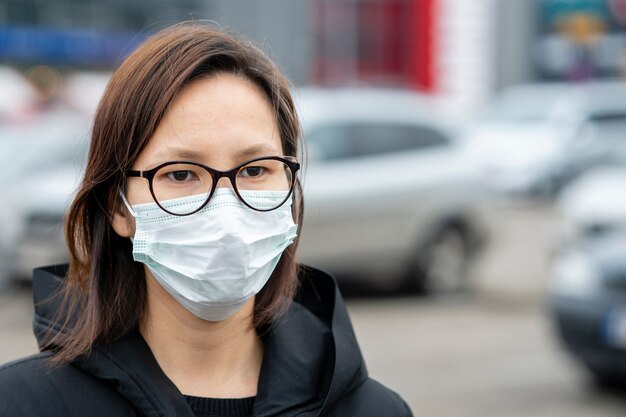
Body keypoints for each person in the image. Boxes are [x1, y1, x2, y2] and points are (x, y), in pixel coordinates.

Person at [0, 22, 413, 417]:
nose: (226, 208)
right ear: (119, 208)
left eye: (254, 170)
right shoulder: (23, 405)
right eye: (180, 174)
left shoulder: (375, 411)